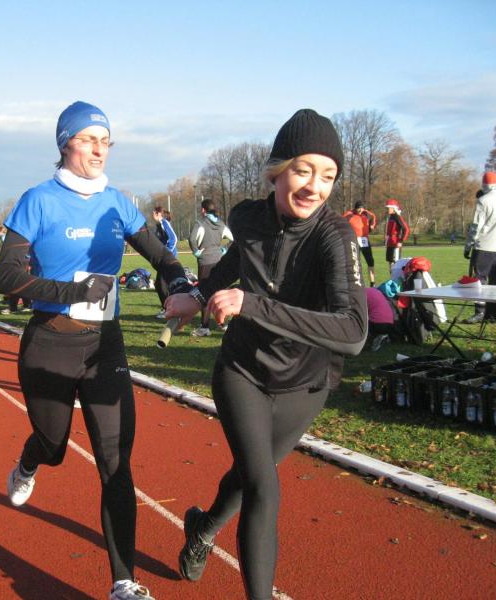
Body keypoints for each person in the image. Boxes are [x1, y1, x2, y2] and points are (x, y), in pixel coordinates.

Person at [165, 109, 367, 600]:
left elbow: (353, 331)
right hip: (243, 372)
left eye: (328, 176)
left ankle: (203, 528)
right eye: (303, 171)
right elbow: (237, 260)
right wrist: (198, 295)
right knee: (264, 486)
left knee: (248, 476)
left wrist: (252, 304)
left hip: (304, 384)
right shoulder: (247, 218)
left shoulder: (334, 236)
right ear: (277, 171)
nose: (314, 187)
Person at [0, 101, 192, 600]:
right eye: (88, 139)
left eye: (105, 141)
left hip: (105, 345)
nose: (99, 149)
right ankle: (29, 462)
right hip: (50, 342)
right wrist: (71, 291)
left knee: (115, 462)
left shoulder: (117, 203)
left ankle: (124, 582)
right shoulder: (38, 200)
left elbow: (161, 255)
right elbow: (6, 276)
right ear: (66, 144)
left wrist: (178, 282)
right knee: (54, 446)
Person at [462, 172, 496, 324]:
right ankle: (493, 312)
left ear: (484, 184)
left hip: (484, 246)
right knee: (495, 280)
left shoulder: (483, 201)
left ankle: (480, 311)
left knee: (479, 280)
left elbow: (476, 227)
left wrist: (468, 246)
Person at [188, 199, 234, 336]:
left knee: (203, 293)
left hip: (205, 261)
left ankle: (205, 327)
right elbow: (233, 238)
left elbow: (191, 239)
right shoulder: (221, 224)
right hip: (219, 261)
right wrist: (224, 249)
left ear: (203, 210)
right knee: (220, 293)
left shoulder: (200, 223)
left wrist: (196, 252)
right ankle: (224, 324)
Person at [152, 206, 178, 318]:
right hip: (164, 259)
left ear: (158, 214)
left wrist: (167, 252)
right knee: (160, 284)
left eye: (153, 212)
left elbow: (174, 238)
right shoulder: (159, 225)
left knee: (161, 284)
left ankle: (168, 310)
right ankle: (168, 308)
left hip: (168, 259)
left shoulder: (164, 223)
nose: (152, 215)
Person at [343, 201, 377, 286]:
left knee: (370, 261)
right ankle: (355, 282)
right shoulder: (349, 214)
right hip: (354, 241)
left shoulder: (366, 213)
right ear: (355, 208)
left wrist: (371, 226)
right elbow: (341, 222)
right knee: (355, 262)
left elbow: (373, 217)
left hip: (365, 240)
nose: (360, 210)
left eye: (361, 208)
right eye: (358, 208)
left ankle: (372, 283)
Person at [384, 198, 409, 272]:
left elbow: (406, 229)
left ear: (393, 208)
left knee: (396, 263)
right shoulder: (390, 217)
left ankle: (396, 278)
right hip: (390, 243)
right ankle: (391, 278)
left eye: (388, 208)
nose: (387, 210)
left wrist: (401, 241)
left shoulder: (397, 217)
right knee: (390, 261)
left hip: (395, 243)